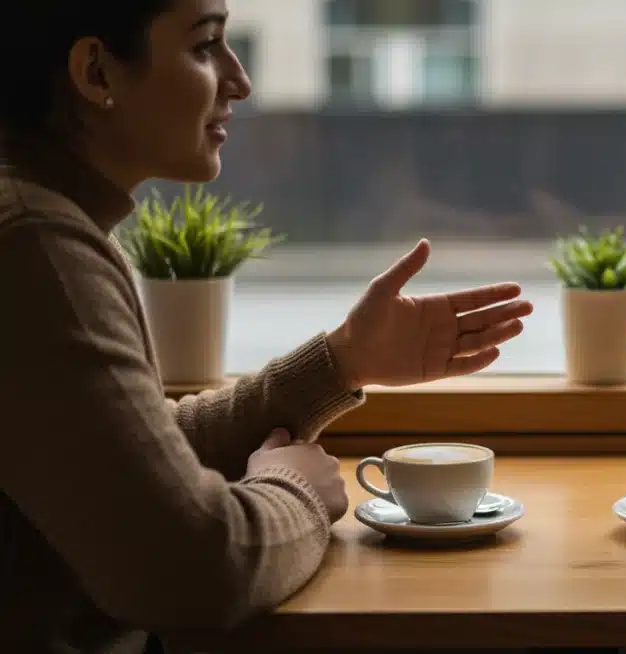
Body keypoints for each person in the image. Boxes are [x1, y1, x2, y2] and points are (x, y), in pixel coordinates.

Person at [0, 1, 532, 652]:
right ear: (96, 72)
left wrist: (339, 363)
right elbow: (192, 572)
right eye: (205, 45)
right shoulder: (36, 250)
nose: (240, 80)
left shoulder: (43, 221)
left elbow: (138, 450)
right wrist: (296, 490)